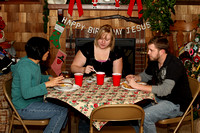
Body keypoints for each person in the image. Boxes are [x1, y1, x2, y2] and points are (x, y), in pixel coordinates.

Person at [126, 36, 192, 133]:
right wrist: (135, 78)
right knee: (134, 112)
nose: (148, 52)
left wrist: (137, 86)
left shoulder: (174, 65)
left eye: (151, 50)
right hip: (161, 98)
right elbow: (146, 76)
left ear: (161, 51)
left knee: (146, 116)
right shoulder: (155, 61)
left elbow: (165, 90)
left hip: (176, 104)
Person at [11, 37, 68, 133]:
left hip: (32, 102)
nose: (48, 52)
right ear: (39, 51)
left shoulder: (34, 62)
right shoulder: (25, 67)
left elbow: (35, 78)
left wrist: (49, 78)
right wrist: (46, 84)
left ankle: (55, 128)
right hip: (24, 107)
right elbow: (26, 93)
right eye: (46, 50)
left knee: (64, 106)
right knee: (61, 111)